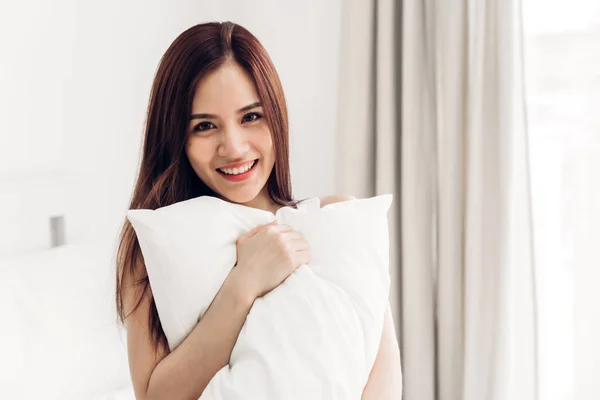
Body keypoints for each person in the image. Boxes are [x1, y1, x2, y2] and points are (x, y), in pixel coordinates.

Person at [115, 21, 402, 400]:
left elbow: (384, 378)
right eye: (204, 126)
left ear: (275, 115)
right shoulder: (155, 246)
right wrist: (244, 283)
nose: (233, 147)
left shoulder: (336, 222)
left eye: (251, 117)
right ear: (176, 138)